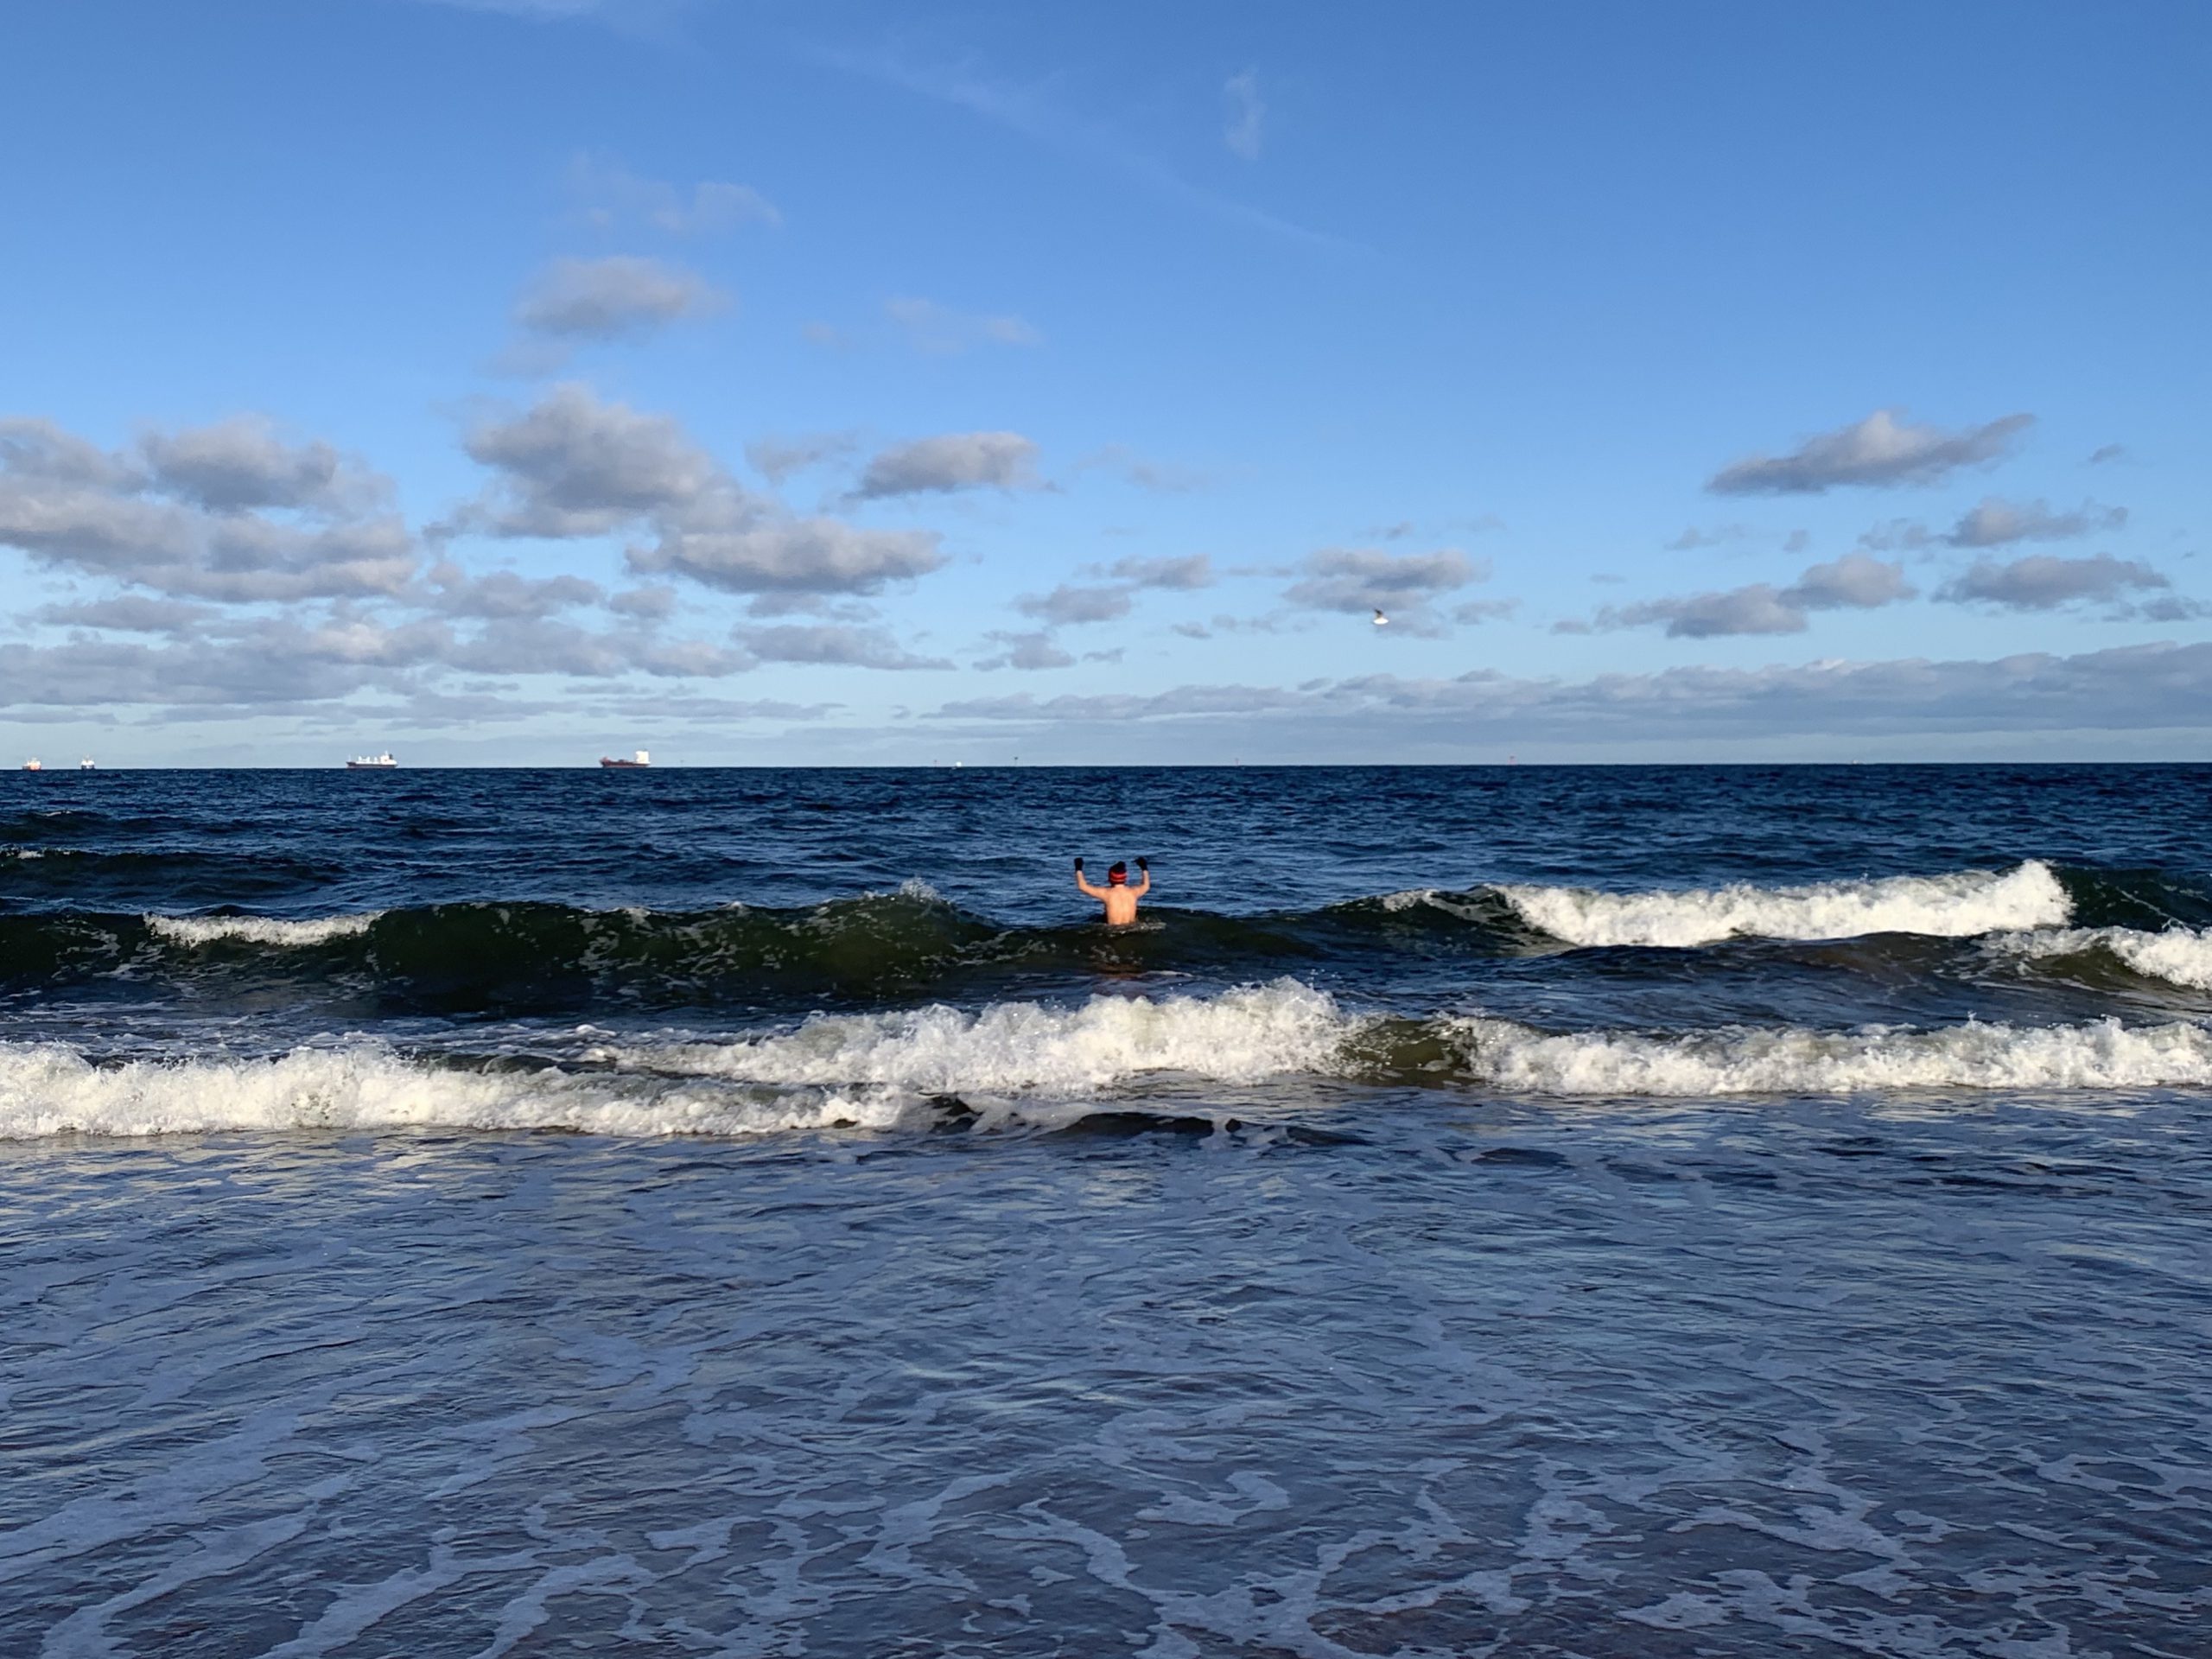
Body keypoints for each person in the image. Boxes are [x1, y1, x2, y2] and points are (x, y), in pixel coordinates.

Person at [1074, 855, 1149, 925]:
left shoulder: (1107, 894)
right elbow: (1146, 886)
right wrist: (1144, 868)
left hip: (1113, 932)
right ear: (1125, 878)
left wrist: (1078, 868)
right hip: (1132, 929)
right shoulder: (1133, 892)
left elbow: (1082, 886)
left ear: (1110, 879)